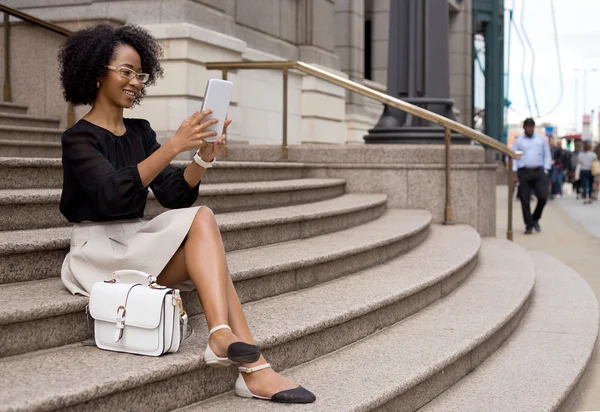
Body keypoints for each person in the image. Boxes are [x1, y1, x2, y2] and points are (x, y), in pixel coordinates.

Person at [58, 24, 315, 404]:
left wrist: (201, 158)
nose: (135, 82)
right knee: (211, 252)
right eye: (125, 72)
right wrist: (174, 145)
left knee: (202, 218)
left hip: (137, 243)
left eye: (140, 74)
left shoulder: (140, 131)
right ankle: (254, 368)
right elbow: (111, 195)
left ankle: (224, 337)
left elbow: (175, 195)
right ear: (98, 73)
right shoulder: (78, 138)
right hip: (99, 253)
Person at [512, 118, 552, 235]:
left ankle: (535, 218)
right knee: (524, 199)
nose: (530, 129)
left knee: (543, 196)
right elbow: (514, 157)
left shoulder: (541, 140)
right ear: (524, 128)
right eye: (528, 127)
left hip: (539, 171)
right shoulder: (518, 141)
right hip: (524, 172)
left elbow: (547, 155)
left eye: (531, 127)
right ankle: (528, 225)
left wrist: (546, 169)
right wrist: (514, 172)